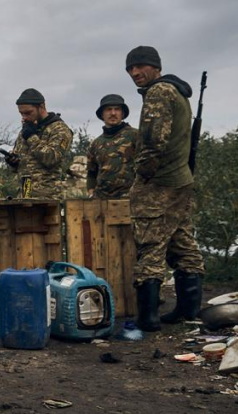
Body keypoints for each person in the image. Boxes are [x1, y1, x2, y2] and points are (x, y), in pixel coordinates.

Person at [125, 46, 205, 330]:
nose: (135, 73)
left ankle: (148, 318)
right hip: (182, 180)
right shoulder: (179, 93)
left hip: (159, 183)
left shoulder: (159, 92)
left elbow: (152, 140)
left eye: (141, 67)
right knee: (182, 241)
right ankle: (188, 311)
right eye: (131, 69)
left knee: (150, 245)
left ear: (155, 67)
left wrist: (142, 175)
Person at [4, 88, 74, 199]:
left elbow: (51, 159)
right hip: (24, 197)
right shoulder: (27, 129)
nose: (24, 117)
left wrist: (31, 137)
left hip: (49, 199)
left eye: (28, 113)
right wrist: (13, 161)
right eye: (21, 113)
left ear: (41, 107)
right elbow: (22, 165)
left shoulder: (59, 129)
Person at [86, 94, 138, 199]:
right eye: (108, 109)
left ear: (123, 114)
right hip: (101, 201)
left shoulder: (136, 136)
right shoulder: (96, 144)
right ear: (102, 114)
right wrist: (91, 193)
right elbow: (92, 173)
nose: (113, 113)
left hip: (131, 199)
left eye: (117, 109)